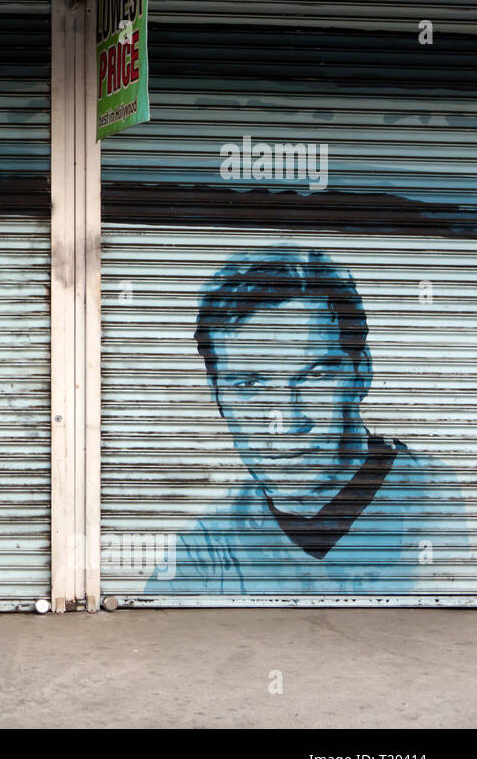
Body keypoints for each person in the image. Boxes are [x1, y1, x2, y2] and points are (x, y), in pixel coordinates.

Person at [147, 248, 472, 595]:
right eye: (248, 385)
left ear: (362, 372)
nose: (283, 420)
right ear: (217, 396)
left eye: (314, 376)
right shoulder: (206, 546)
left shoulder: (435, 498)